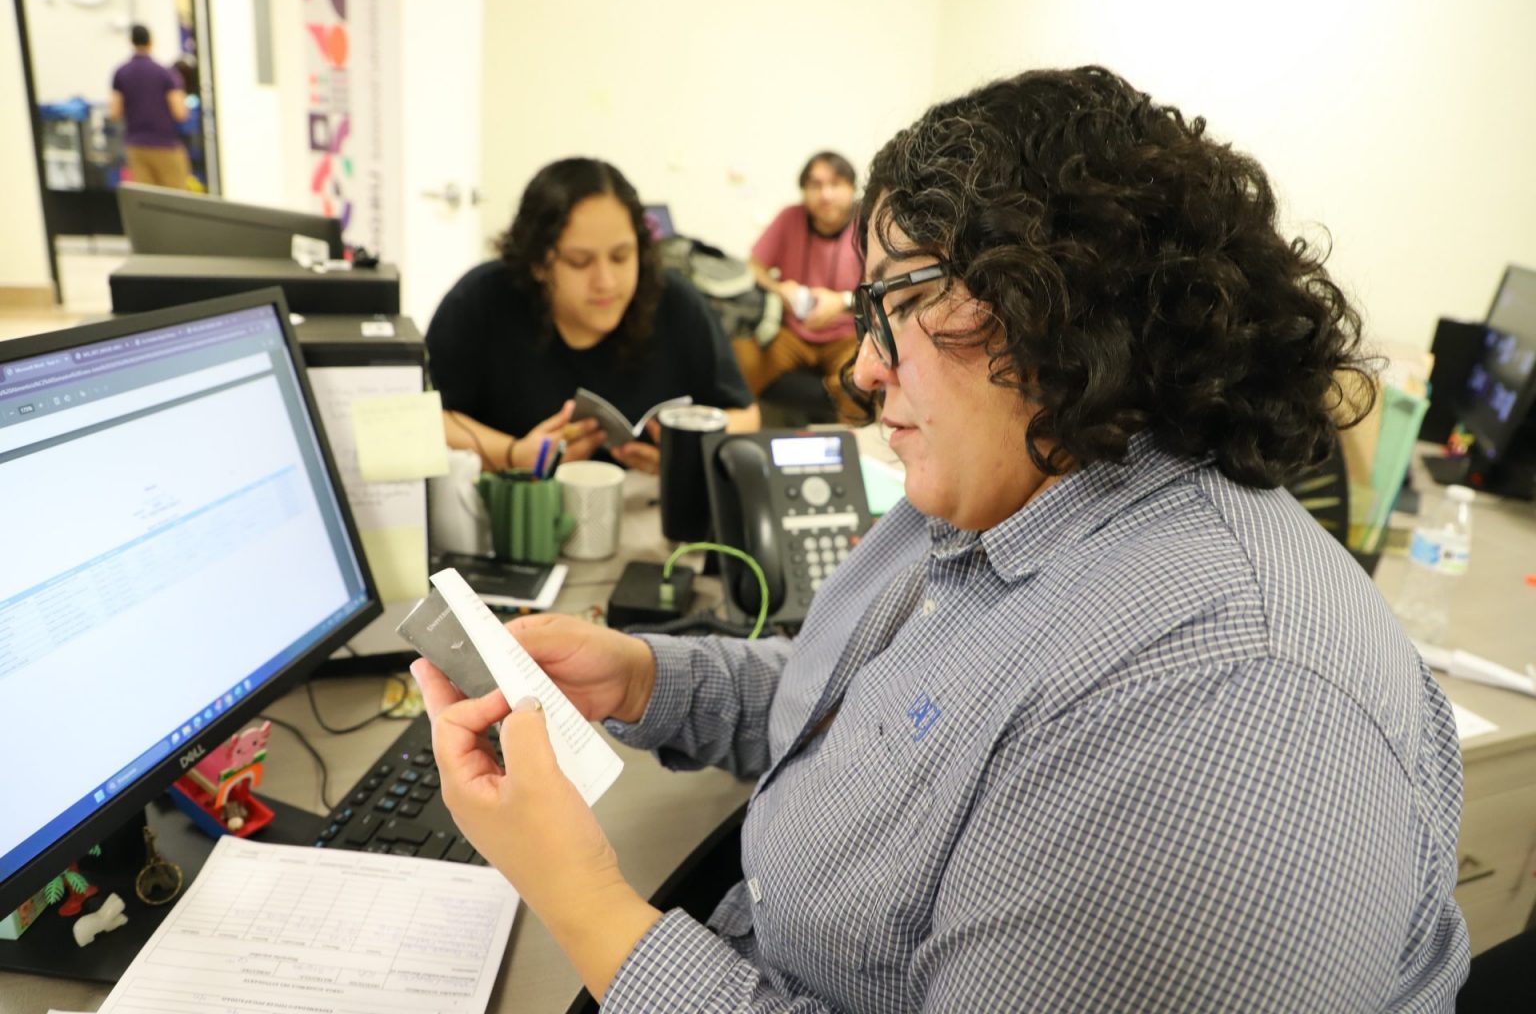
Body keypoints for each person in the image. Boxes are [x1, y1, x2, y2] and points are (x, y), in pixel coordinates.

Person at [413, 68, 1469, 1011]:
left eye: (907, 300)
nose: (864, 369)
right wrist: (646, 678)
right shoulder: (1007, 477)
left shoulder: (1217, 713)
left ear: (1066, 304)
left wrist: (580, 896)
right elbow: (866, 714)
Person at [428, 158, 759, 477]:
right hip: (516, 499)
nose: (606, 282)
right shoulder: (482, 299)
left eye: (621, 256)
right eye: (580, 262)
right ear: (538, 263)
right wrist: (513, 455)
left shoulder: (675, 302)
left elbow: (745, 415)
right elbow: (424, 418)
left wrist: (686, 454)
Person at [732, 151, 863, 419]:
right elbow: (754, 267)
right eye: (816, 185)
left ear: (852, 188)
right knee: (739, 356)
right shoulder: (789, 217)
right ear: (804, 190)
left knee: (859, 380)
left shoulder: (869, 224)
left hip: (847, 335)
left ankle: (842, 431)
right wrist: (778, 288)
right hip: (792, 332)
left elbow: (888, 289)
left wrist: (842, 302)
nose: (825, 195)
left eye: (835, 184)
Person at [109, 24, 190, 190]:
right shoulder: (165, 73)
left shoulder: (121, 73)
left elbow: (114, 112)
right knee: (175, 198)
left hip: (136, 147)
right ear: (151, 42)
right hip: (165, 145)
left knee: (146, 198)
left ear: (131, 42)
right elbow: (180, 113)